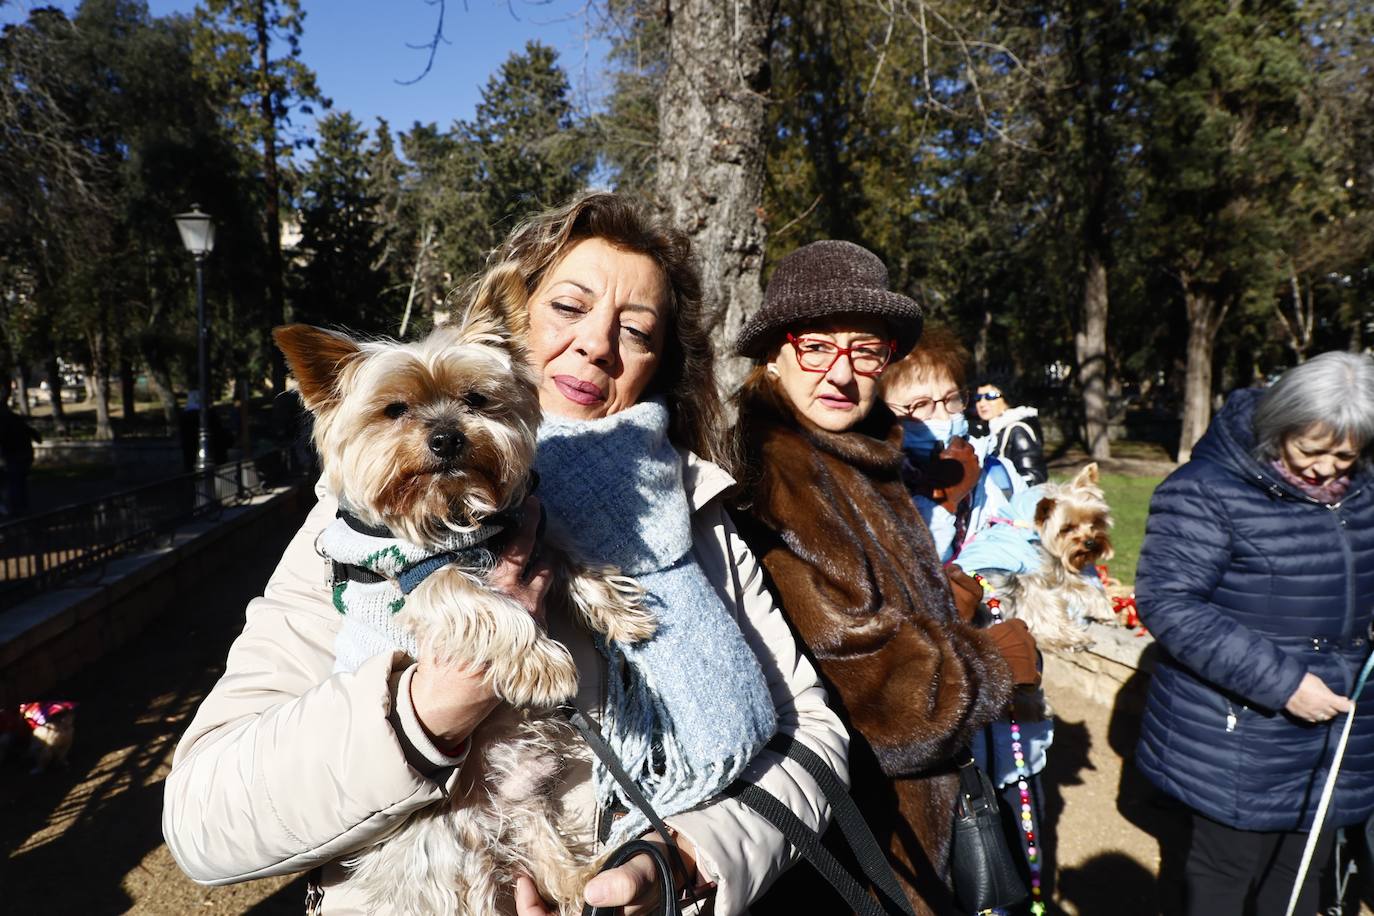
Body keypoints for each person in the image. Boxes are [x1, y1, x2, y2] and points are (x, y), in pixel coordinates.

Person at [162, 193, 847, 915]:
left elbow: (813, 736)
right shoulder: (358, 533)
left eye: (636, 330)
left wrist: (688, 859)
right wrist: (427, 712)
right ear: (514, 329)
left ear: (659, 364)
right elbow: (202, 824)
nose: (596, 345)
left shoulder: (696, 510)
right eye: (568, 308)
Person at [729, 239, 1037, 915]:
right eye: (816, 345)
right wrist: (996, 663)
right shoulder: (780, 472)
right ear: (775, 355)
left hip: (906, 830)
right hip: (855, 843)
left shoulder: (856, 451)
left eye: (865, 350)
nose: (841, 373)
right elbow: (875, 703)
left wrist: (946, 596)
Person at [1135, 351, 1374, 916]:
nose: (1324, 470)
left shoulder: (1363, 489)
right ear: (1279, 426)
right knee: (1224, 875)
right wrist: (1285, 683)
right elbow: (1169, 603)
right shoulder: (1205, 489)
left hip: (1341, 728)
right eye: (1310, 451)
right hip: (1241, 729)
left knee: (1301, 873)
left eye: (1345, 456)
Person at [880, 330, 1055, 912]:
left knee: (1012, 831)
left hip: (998, 690)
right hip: (929, 698)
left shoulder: (987, 471)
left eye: (951, 400)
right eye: (918, 407)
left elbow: (1023, 540)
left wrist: (971, 569)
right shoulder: (879, 484)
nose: (944, 418)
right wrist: (944, 543)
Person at [971, 374, 1048, 486]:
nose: (982, 403)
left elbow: (1035, 478)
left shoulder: (1018, 430)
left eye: (990, 396)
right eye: (978, 398)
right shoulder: (989, 429)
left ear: (1007, 398)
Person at [0, 394, 42, 516]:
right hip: (26, 453)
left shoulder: (4, 422)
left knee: (15, 482)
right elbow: (33, 433)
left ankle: (17, 508)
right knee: (20, 481)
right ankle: (22, 506)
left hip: (14, 454)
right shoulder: (16, 418)